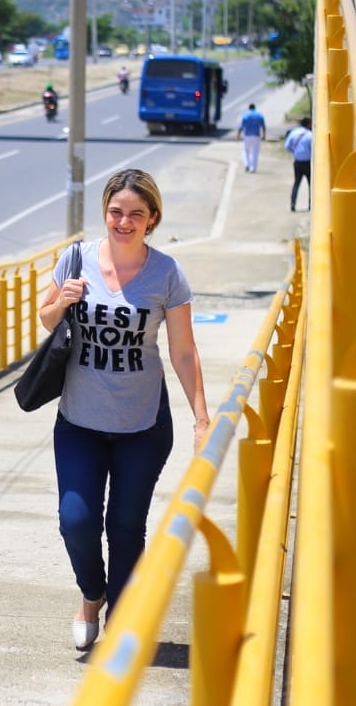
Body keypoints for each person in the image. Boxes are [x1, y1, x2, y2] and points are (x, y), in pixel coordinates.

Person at [38, 168, 210, 652]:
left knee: (126, 526)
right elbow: (45, 316)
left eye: (136, 214)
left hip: (143, 425)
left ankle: (122, 614)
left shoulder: (167, 274)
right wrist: (63, 300)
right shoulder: (76, 260)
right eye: (116, 212)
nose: (124, 221)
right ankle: (92, 596)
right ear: (105, 213)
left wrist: (201, 418)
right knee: (76, 519)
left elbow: (182, 351)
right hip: (79, 421)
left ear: (152, 219)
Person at [283, 116, 314, 212]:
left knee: (296, 183)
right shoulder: (310, 135)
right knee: (311, 184)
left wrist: (295, 151)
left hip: (297, 162)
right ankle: (310, 204)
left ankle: (293, 203)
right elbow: (313, 149)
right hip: (307, 163)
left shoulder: (294, 133)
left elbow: (287, 146)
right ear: (308, 124)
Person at [235, 102, 267, 173]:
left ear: (249, 107)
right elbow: (263, 126)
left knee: (246, 151)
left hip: (247, 136)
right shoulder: (259, 115)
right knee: (255, 152)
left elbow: (241, 127)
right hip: (256, 136)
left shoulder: (245, 115)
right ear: (254, 107)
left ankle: (247, 164)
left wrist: (238, 135)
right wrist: (264, 135)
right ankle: (253, 168)